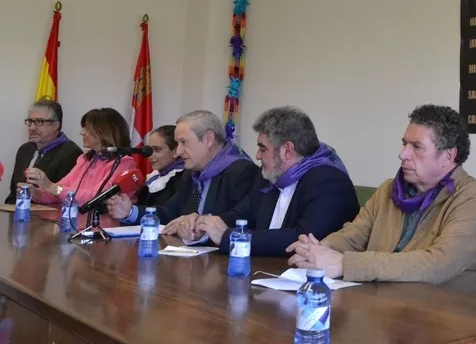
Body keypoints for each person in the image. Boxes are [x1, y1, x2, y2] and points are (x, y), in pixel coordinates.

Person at [286, 104, 476, 294]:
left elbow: (436, 265)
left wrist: (344, 264)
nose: (402, 154)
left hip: (451, 315)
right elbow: (354, 236)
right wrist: (319, 249)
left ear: (448, 156)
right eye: (404, 144)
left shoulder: (473, 201)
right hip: (386, 303)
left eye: (417, 147)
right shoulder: (389, 190)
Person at [193, 106, 360, 256]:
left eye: (263, 148)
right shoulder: (268, 175)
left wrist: (231, 237)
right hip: (266, 269)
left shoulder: (328, 181)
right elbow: (242, 214)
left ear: (287, 150)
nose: (257, 155)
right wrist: (204, 225)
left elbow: (302, 238)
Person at [107, 110, 257, 239]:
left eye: (183, 142)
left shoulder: (242, 171)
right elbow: (169, 212)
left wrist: (196, 223)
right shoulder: (191, 172)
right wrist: (129, 212)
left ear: (208, 139)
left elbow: (240, 222)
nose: (178, 152)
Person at [26, 108, 137, 208]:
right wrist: (35, 192)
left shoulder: (124, 162)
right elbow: (59, 192)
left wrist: (50, 186)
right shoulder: (84, 159)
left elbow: (97, 197)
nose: (82, 132)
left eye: (87, 128)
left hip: (107, 221)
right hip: (79, 218)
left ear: (105, 132)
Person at [6, 99, 82, 204]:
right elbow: (13, 194)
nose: (32, 127)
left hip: (50, 213)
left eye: (39, 122)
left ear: (55, 125)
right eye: (30, 121)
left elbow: (66, 197)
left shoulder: (71, 153)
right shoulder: (24, 150)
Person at [137, 125, 186, 207]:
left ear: (176, 151)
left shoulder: (182, 179)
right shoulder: (155, 176)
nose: (150, 156)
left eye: (157, 149)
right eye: (150, 150)